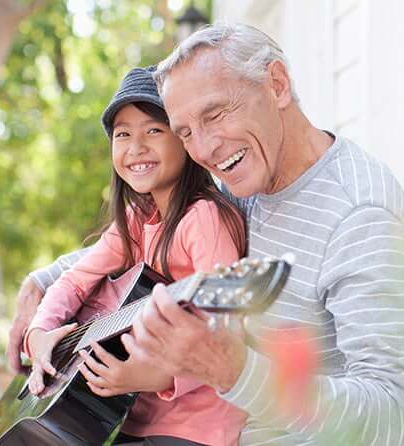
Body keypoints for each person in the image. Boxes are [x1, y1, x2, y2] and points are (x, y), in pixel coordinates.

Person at [8, 23, 404, 445]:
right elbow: (144, 235)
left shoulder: (358, 215)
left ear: (277, 85)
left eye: (214, 114)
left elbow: (390, 412)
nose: (205, 150)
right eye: (186, 132)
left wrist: (236, 371)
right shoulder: (245, 182)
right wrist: (42, 283)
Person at [23, 65, 247, 446]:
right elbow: (75, 280)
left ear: (185, 140)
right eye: (122, 134)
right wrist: (39, 334)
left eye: (154, 130)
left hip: (197, 425)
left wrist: (156, 377)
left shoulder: (203, 220)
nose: (136, 147)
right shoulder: (135, 220)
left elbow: (226, 328)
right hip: (137, 416)